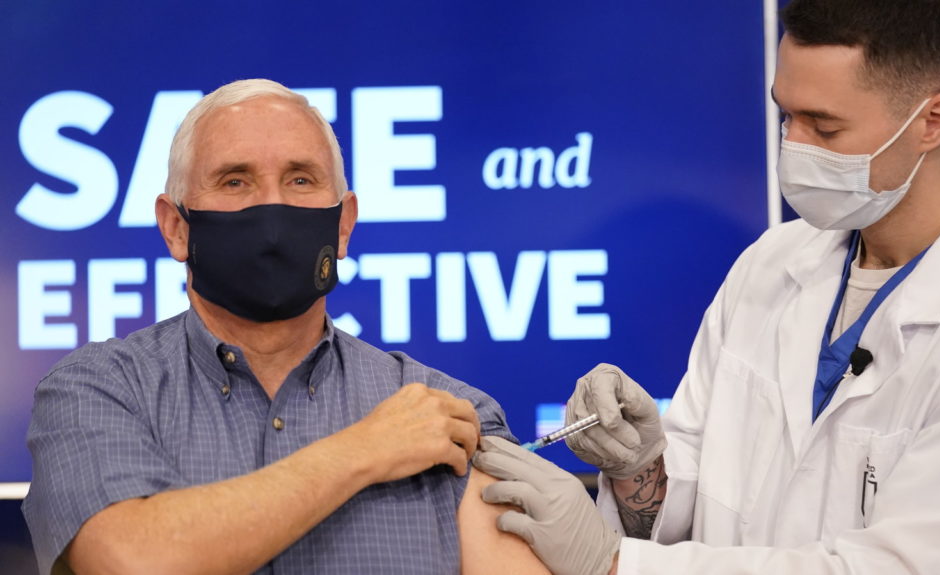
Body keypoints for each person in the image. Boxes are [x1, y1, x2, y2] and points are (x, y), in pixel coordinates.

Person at [473, 1, 940, 573]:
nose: (796, 146)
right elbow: (700, 502)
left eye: (824, 126)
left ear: (933, 121)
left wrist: (613, 562)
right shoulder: (774, 261)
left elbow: (898, 566)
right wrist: (642, 469)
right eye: (786, 117)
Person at [22, 79, 549, 575]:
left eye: (300, 179)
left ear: (343, 225)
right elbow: (129, 560)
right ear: (176, 227)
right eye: (235, 180)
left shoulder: (446, 414)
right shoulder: (100, 389)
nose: (270, 211)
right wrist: (364, 450)